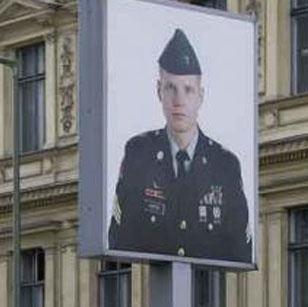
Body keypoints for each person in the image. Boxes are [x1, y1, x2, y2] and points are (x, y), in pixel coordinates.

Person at [107, 28, 251, 263]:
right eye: (170, 88)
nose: (179, 100)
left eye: (188, 89)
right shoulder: (138, 154)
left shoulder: (225, 165)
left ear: (200, 96)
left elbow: (240, 250)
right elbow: (120, 239)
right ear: (158, 92)